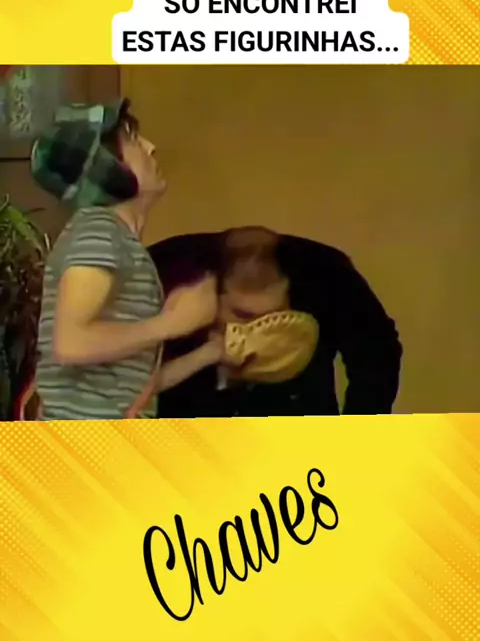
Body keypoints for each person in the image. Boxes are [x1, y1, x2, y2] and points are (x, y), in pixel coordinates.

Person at [30, 98, 222, 420]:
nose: (150, 147)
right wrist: (171, 324)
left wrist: (211, 352)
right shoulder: (98, 231)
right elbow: (71, 343)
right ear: (108, 168)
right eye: (132, 139)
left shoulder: (117, 240)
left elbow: (130, 386)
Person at [145, 226, 403, 417]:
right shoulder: (161, 277)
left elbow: (377, 351)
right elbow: (130, 386)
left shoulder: (328, 278)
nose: (260, 329)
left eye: (276, 315)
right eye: (243, 315)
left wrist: (356, 434)